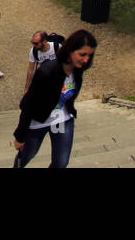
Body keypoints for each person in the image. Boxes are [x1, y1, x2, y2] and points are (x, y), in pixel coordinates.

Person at [13, 29, 96, 168]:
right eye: (82, 54)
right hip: (38, 121)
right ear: (70, 50)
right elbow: (28, 104)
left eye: (89, 55)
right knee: (28, 155)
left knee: (61, 162)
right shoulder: (46, 72)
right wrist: (20, 136)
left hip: (61, 119)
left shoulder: (78, 69)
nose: (86, 59)